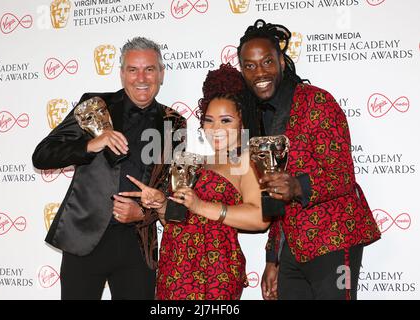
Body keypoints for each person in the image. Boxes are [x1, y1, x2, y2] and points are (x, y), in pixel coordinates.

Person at [237, 19, 381, 300]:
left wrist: (298, 186)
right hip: (292, 246)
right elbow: (274, 192)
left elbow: (342, 175)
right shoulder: (258, 118)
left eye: (267, 61)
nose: (259, 72)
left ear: (281, 60)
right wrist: (272, 259)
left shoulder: (317, 102)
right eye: (249, 66)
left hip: (334, 239)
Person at [32, 37, 185, 300]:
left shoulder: (175, 122)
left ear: (161, 73)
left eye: (149, 69)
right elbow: (42, 156)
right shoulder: (94, 105)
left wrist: (143, 214)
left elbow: (175, 192)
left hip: (138, 247)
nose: (141, 78)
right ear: (121, 73)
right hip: (85, 240)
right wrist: (91, 144)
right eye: (133, 69)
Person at [121, 63, 270, 300]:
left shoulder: (248, 161)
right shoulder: (194, 161)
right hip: (174, 268)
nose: (216, 128)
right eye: (209, 120)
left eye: (226, 120)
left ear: (242, 121)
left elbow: (260, 218)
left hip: (215, 271)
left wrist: (201, 206)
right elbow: (179, 219)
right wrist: (161, 205)